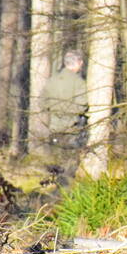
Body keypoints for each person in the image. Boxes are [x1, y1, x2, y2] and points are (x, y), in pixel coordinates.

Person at [39, 50, 87, 178]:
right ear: (78, 63)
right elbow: (82, 106)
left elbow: (42, 103)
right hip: (72, 130)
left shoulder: (52, 81)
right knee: (69, 168)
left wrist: (55, 108)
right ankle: (64, 194)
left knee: (55, 165)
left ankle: (54, 193)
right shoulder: (79, 82)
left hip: (54, 129)